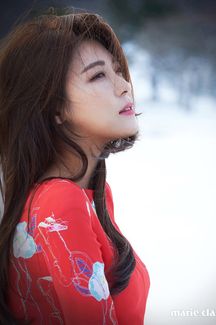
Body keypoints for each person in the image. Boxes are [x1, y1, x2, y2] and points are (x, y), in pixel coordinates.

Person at [0, 7, 150, 325]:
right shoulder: (59, 202)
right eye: (98, 75)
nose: (124, 86)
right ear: (54, 108)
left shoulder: (94, 195)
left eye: (117, 71)